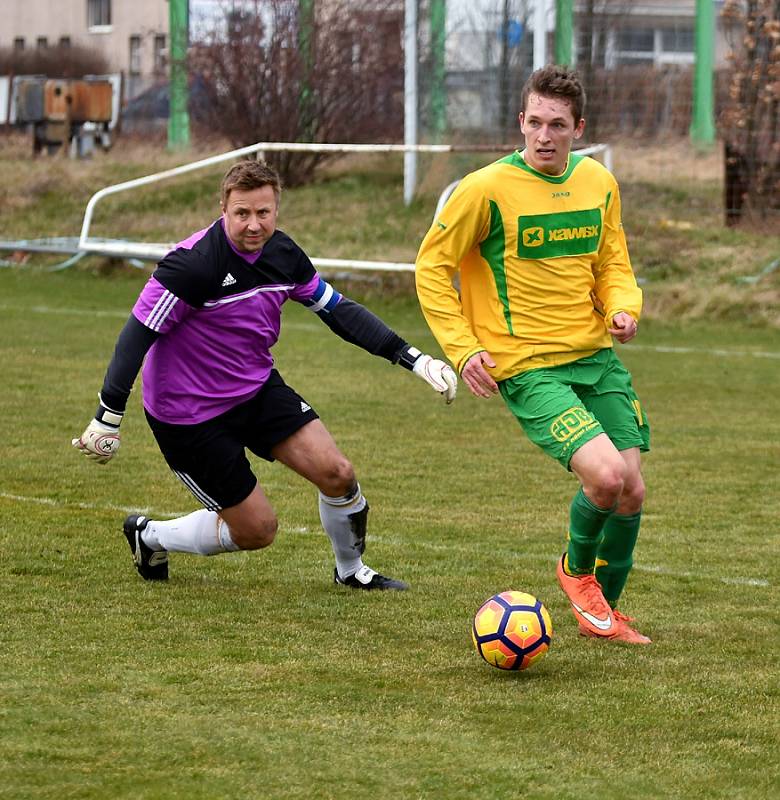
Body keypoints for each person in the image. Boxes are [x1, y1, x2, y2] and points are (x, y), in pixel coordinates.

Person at [73, 159, 457, 591]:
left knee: (338, 473)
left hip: (254, 390)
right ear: (223, 208)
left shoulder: (284, 255)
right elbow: (135, 337)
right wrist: (108, 414)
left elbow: (338, 311)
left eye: (263, 212)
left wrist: (413, 358)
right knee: (258, 531)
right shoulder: (192, 266)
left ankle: (351, 572)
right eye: (242, 213)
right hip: (189, 416)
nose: (253, 225)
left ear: (276, 209)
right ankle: (150, 535)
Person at [415, 65, 651, 643]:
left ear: (579, 129)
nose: (545, 135)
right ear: (521, 122)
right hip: (527, 365)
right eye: (535, 122)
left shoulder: (598, 182)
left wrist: (623, 306)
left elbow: (611, 262)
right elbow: (431, 268)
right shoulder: (484, 190)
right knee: (606, 476)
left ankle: (607, 615)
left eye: (558, 125)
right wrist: (465, 347)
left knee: (632, 490)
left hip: (595, 357)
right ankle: (575, 571)